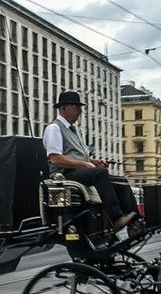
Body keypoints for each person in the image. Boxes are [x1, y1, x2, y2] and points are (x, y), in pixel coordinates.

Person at [42, 91, 139, 230]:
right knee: (100, 174)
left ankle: (135, 221)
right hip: (64, 175)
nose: (80, 111)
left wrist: (93, 162)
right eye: (76, 107)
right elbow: (55, 159)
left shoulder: (75, 131)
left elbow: (78, 156)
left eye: (80, 108)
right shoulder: (54, 128)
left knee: (121, 181)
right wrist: (85, 164)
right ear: (63, 108)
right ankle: (116, 218)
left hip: (79, 172)